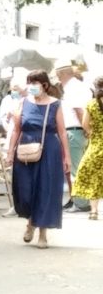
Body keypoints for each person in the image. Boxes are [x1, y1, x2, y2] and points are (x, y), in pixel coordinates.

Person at [7, 70, 70, 248]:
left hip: (49, 149)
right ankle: (30, 222)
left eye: (35, 83)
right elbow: (16, 130)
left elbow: (62, 132)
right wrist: (10, 152)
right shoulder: (23, 103)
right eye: (30, 83)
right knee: (25, 191)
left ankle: (42, 233)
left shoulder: (55, 104)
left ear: (45, 85)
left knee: (45, 190)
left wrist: (67, 157)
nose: (32, 87)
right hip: (25, 149)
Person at [56, 62, 91, 210]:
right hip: (78, 131)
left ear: (62, 74)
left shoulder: (72, 87)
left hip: (75, 131)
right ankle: (78, 201)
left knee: (75, 169)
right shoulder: (79, 86)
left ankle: (80, 203)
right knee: (77, 168)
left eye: (57, 75)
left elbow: (79, 111)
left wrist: (87, 129)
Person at [72, 76, 103, 220]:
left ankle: (94, 211)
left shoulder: (91, 104)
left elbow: (84, 124)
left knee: (93, 177)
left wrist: (92, 133)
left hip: (96, 145)